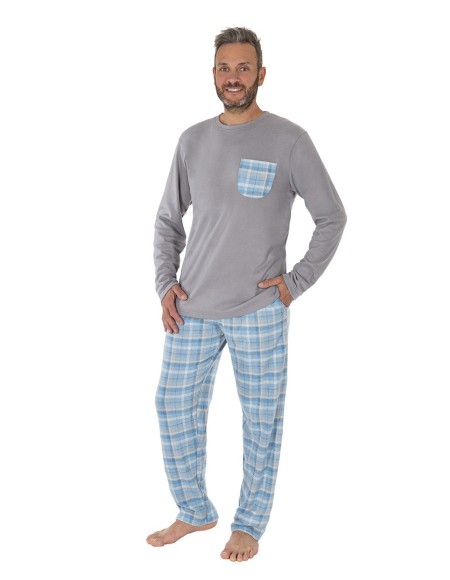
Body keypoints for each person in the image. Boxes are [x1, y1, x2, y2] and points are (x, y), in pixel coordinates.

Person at [147, 27, 347, 562]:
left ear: (261, 74)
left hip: (260, 309)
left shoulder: (289, 139)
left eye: (242, 68)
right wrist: (166, 284)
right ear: (213, 75)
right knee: (172, 405)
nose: (232, 78)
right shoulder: (191, 140)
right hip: (191, 307)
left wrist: (295, 282)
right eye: (224, 68)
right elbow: (168, 221)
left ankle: (249, 524)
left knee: (261, 420)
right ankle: (194, 510)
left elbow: (332, 217)